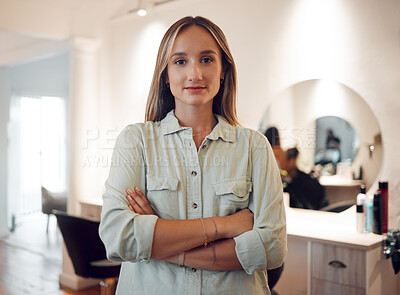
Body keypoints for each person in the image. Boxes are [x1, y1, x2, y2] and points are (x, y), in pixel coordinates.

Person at [99, 16, 286, 295]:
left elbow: (271, 249)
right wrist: (224, 226)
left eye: (207, 60)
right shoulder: (136, 140)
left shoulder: (255, 147)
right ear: (166, 74)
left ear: (223, 70)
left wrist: (160, 240)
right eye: (180, 61)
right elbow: (119, 239)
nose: (195, 74)